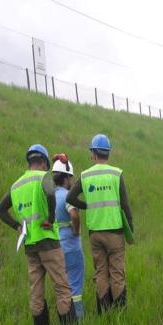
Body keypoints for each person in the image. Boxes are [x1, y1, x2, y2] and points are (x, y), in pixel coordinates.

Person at [0, 144, 76, 325]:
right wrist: (50, 219)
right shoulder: (44, 177)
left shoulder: (16, 185)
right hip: (49, 243)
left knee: (36, 291)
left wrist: (17, 226)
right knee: (62, 287)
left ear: (29, 161)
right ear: (44, 163)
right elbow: (50, 195)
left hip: (30, 246)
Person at [67, 134, 133, 314]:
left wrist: (86, 206)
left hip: (95, 234)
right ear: (108, 154)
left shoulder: (86, 175)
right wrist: (131, 230)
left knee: (101, 272)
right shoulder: (116, 173)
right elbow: (126, 206)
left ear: (94, 153)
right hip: (115, 233)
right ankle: (119, 314)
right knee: (117, 273)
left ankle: (104, 312)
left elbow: (70, 197)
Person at [51, 153, 85, 320]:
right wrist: (76, 231)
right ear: (65, 178)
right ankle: (77, 319)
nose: (71, 181)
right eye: (70, 177)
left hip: (55, 247)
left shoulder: (49, 196)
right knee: (75, 284)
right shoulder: (67, 195)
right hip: (71, 246)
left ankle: (63, 318)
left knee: (61, 285)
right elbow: (74, 215)